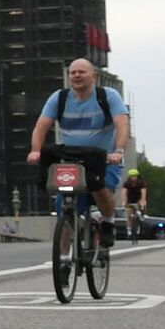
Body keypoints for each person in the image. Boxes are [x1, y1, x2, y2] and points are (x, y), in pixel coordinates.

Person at [26, 56, 129, 262]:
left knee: (102, 190)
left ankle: (108, 221)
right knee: (64, 206)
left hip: (104, 160)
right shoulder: (60, 98)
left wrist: (118, 151)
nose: (76, 75)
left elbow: (122, 124)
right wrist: (35, 150)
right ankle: (64, 257)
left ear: (94, 76)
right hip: (71, 160)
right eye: (73, 72)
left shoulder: (108, 96)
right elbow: (41, 126)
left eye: (82, 71)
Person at [124, 167, 149, 238]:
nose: (133, 178)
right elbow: (124, 193)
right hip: (130, 200)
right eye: (132, 176)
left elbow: (143, 193)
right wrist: (124, 201)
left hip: (138, 198)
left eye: (134, 176)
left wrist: (142, 201)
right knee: (129, 215)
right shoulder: (127, 183)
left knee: (143, 203)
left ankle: (143, 214)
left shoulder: (141, 183)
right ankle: (129, 230)